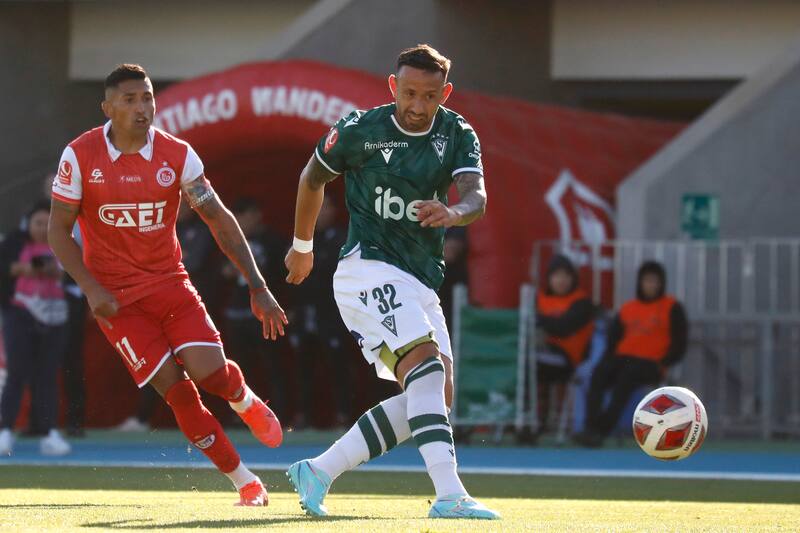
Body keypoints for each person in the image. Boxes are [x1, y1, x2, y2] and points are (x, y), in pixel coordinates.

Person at [47, 64, 287, 506]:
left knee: (210, 374)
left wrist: (257, 285)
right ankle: (244, 481)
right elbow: (57, 231)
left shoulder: (177, 154)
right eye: (130, 99)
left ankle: (242, 397)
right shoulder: (80, 156)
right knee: (178, 391)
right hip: (118, 303)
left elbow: (217, 217)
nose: (143, 108)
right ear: (107, 107)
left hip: (170, 285)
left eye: (148, 97)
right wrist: (91, 289)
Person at [284, 44, 499, 520]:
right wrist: (303, 247)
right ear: (392, 86)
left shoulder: (457, 133)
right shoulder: (361, 130)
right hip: (367, 269)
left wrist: (453, 212)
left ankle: (318, 471)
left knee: (434, 395)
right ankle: (450, 495)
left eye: (428, 96)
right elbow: (311, 177)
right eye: (408, 93)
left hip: (420, 278)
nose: (417, 106)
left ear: (445, 93)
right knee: (425, 370)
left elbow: (476, 196)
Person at [574, 260, 688, 447]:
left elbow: (679, 343)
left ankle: (601, 430)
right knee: (599, 374)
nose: (651, 285)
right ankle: (589, 427)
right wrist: (607, 361)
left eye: (655, 281)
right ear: (640, 283)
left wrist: (665, 363)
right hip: (623, 359)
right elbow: (613, 341)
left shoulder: (672, 307)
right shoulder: (627, 308)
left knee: (625, 379)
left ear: (661, 283)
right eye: (647, 281)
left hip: (651, 363)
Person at [0, 201, 71, 456]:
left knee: (47, 376)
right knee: (16, 373)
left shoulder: (63, 243)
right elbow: (4, 270)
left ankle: (49, 432)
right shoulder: (14, 243)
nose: (42, 228)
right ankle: (5, 431)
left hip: (54, 316)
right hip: (20, 314)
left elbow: (75, 275)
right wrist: (24, 269)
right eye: (37, 223)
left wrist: (56, 271)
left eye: (46, 223)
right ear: (28, 224)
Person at [221, 197, 288, 421]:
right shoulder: (231, 241)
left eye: (246, 216)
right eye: (238, 218)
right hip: (237, 313)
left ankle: (281, 413)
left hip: (265, 315)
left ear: (257, 214)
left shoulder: (273, 241)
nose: (242, 222)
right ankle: (241, 416)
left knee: (274, 363)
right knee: (239, 369)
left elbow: (285, 277)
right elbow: (219, 273)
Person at [289, 195, 352, 428]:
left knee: (338, 366)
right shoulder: (301, 240)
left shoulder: (342, 237)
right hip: (306, 313)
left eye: (325, 207)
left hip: (332, 313)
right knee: (303, 367)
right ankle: (303, 415)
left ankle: (343, 415)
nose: (320, 213)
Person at [533, 254, 594, 436]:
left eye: (566, 276)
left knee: (533, 366)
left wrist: (541, 321)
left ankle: (540, 420)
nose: (561, 281)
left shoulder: (582, 302)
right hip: (544, 353)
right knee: (528, 366)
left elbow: (564, 328)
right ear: (549, 278)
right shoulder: (540, 298)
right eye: (556, 276)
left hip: (571, 358)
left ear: (573, 278)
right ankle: (533, 419)